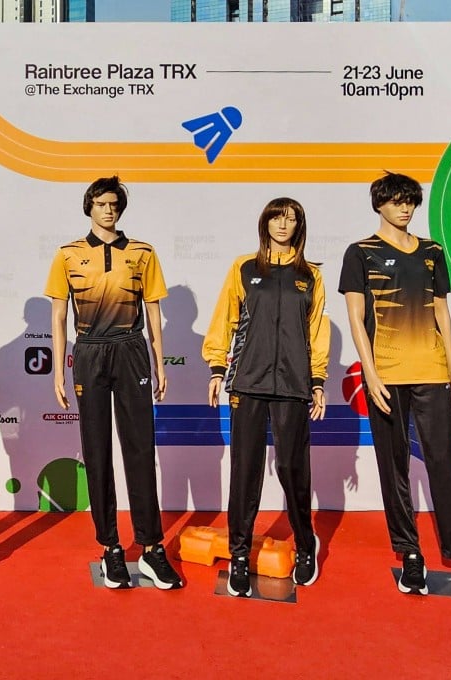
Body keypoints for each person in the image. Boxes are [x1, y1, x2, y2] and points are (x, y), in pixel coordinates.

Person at [339, 172, 451, 602]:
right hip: (385, 375)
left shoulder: (432, 252)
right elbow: (355, 318)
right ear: (379, 205)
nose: (404, 208)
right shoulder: (360, 252)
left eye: (410, 201)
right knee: (395, 468)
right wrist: (369, 372)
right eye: (396, 201)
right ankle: (409, 554)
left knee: (445, 463)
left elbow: (441, 309)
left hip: (431, 370)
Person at [45, 175, 183, 590]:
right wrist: (57, 370)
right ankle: (110, 548)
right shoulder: (67, 254)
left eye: (114, 204)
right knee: (98, 451)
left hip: (130, 348)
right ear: (89, 207)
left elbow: (154, 312)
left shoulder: (143, 252)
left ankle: (152, 546)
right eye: (102, 204)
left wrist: (160, 364)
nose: (108, 210)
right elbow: (58, 317)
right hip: (89, 350)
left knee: (140, 449)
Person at [202, 197, 329, 597]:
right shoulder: (244, 268)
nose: (282, 224)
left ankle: (305, 546)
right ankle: (239, 553)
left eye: (291, 219)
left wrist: (318, 381)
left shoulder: (310, 275)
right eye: (277, 217)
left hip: (293, 385)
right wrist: (217, 367)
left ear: (299, 226)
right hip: (248, 382)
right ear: (265, 222)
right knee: (245, 471)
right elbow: (224, 318)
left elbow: (316, 332)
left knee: (293, 470)